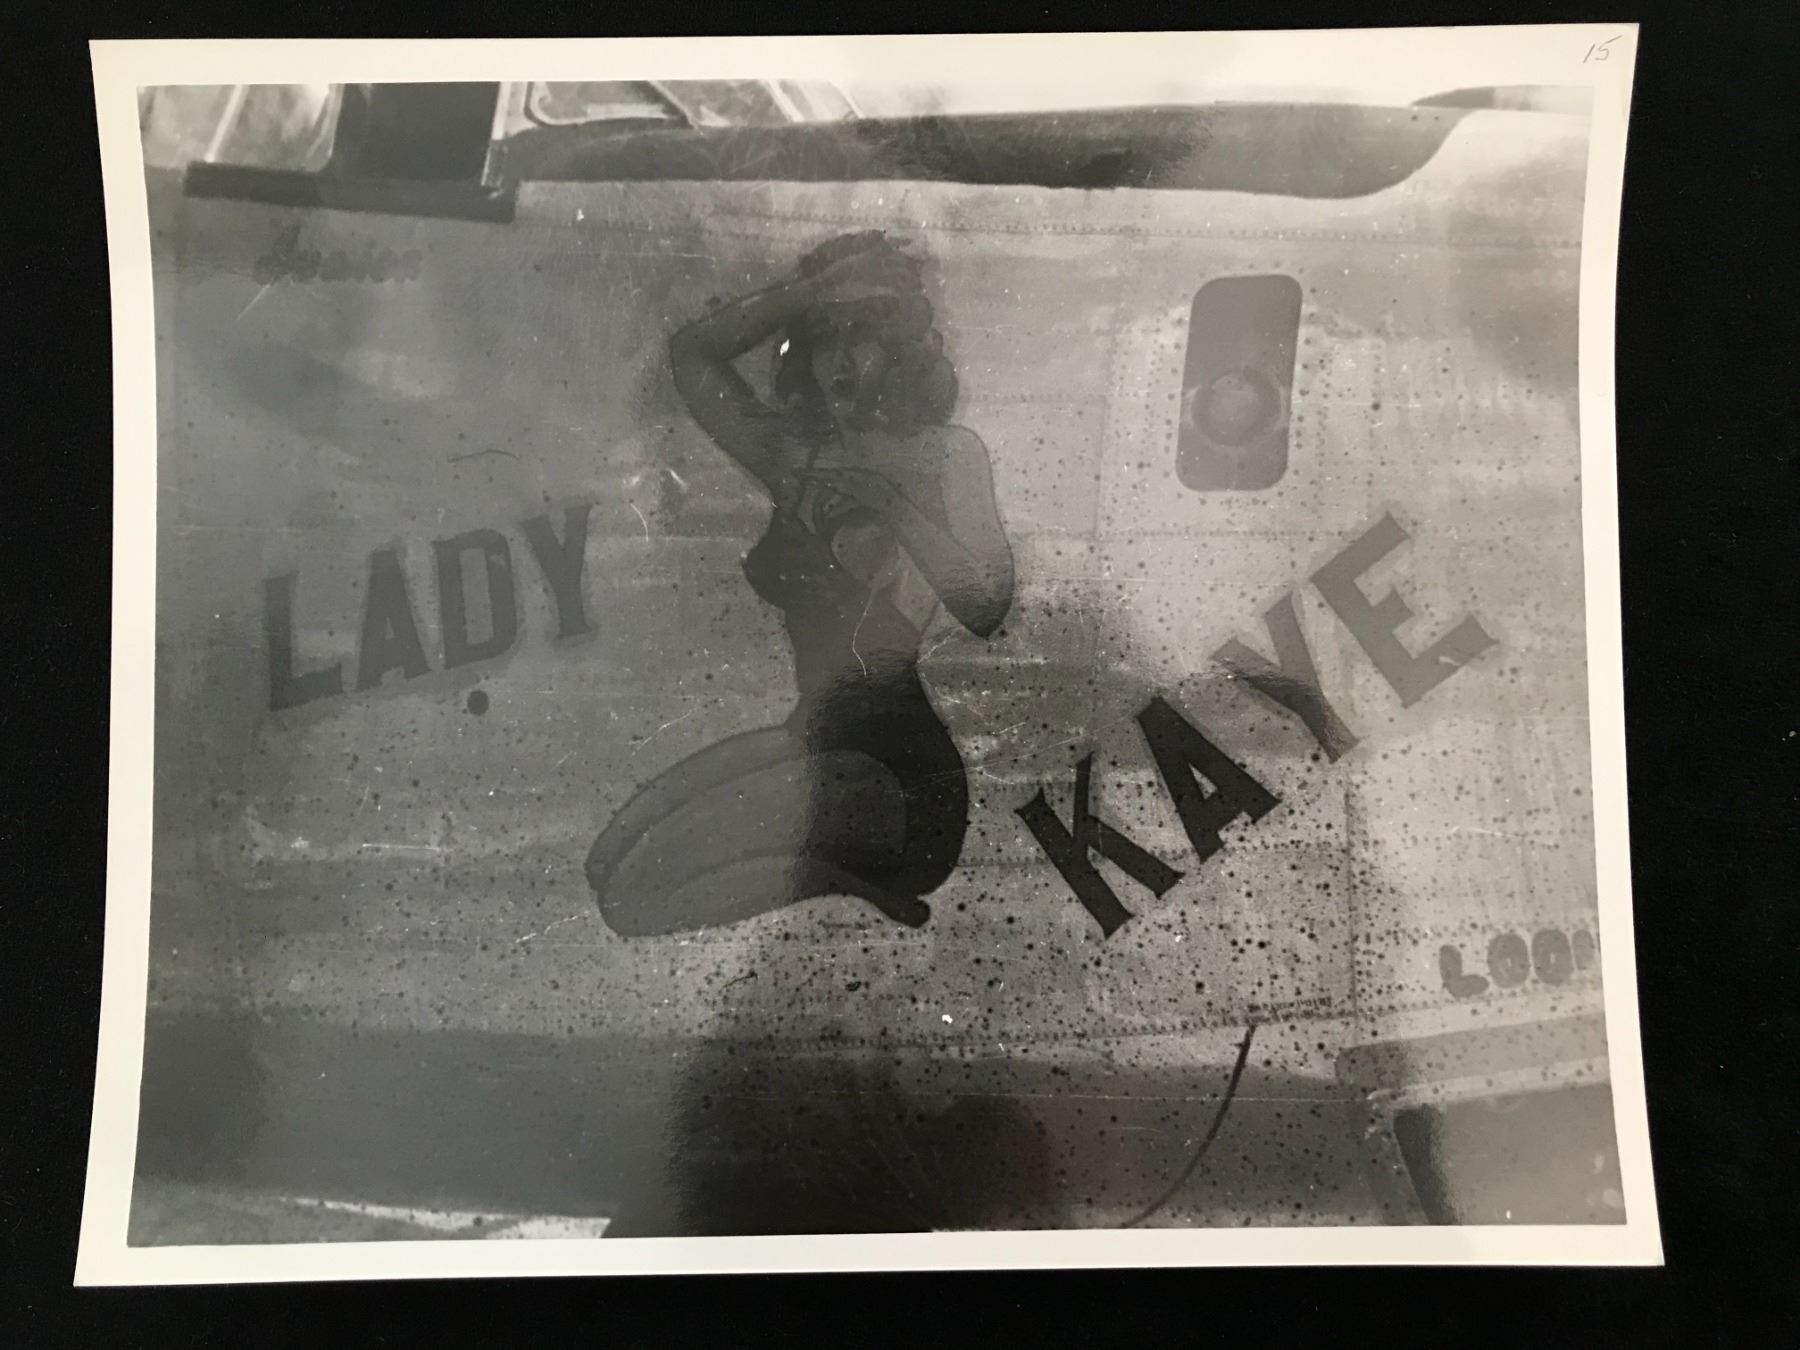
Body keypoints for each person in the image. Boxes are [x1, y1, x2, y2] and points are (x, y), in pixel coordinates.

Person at [585, 231, 1014, 935]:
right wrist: (809, 290)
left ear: (902, 348)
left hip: (899, 778)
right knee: (605, 863)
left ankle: (840, 877)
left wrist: (893, 507)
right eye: (823, 338)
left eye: (863, 336)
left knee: (631, 900)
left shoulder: (946, 456)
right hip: (814, 741)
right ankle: (834, 875)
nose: (840, 360)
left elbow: (987, 605)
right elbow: (692, 355)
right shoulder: (796, 457)